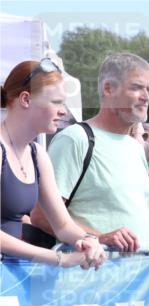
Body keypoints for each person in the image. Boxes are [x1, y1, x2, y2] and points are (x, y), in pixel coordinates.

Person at [29, 52, 149, 251]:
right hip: (89, 278)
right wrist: (99, 239)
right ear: (108, 88)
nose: (146, 97)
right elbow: (41, 217)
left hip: (138, 278)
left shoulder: (136, 148)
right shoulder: (75, 139)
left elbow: (137, 231)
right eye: (136, 88)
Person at [0, 59, 104, 268]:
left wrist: (87, 240)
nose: (64, 111)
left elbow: (63, 225)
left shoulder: (38, 156)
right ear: (26, 99)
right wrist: (57, 258)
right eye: (56, 102)